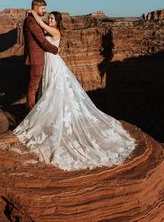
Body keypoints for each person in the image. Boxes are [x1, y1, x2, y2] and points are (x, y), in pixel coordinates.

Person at [14, 10, 136, 171]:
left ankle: (57, 119)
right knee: (50, 89)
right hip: (48, 64)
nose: (49, 19)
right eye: (48, 17)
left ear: (57, 21)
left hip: (54, 65)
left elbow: (41, 25)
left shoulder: (55, 31)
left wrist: (33, 13)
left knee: (54, 90)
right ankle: (52, 117)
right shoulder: (48, 30)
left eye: (52, 18)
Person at [23, 0, 58, 109]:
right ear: (37, 7)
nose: (44, 11)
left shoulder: (32, 19)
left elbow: (41, 24)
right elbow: (42, 41)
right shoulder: (32, 22)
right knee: (34, 87)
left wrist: (34, 13)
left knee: (35, 86)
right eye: (43, 8)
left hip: (38, 58)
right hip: (36, 59)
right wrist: (56, 50)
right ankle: (31, 110)